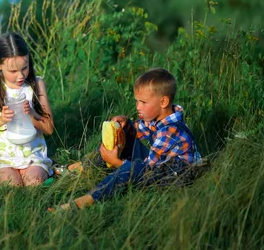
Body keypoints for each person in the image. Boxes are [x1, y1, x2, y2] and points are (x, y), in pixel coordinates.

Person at [49, 67, 202, 211]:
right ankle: (78, 169)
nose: (138, 107)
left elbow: (148, 171)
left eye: (143, 102)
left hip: (176, 178)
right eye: (137, 101)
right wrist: (126, 125)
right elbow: (139, 130)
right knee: (122, 140)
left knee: (130, 169)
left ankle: (82, 202)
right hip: (160, 167)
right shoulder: (160, 118)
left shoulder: (169, 131)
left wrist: (117, 163)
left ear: (163, 102)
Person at [0, 32, 54, 186]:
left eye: (25, 67)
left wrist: (31, 114)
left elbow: (49, 128)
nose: (20, 76)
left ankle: (49, 174)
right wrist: (1, 119)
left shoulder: (35, 84)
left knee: (34, 183)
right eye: (13, 71)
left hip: (32, 154)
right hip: (1, 156)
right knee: (12, 185)